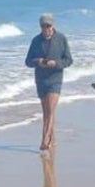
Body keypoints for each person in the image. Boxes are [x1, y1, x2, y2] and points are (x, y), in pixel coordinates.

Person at [24, 13, 73, 151]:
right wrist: (38, 61)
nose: (46, 29)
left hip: (55, 79)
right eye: (43, 26)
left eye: (48, 26)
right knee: (46, 112)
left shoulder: (61, 39)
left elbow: (68, 60)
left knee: (51, 111)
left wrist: (55, 63)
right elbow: (27, 61)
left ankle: (44, 140)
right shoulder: (36, 41)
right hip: (41, 80)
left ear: (53, 25)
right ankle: (53, 141)